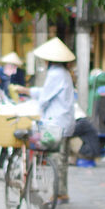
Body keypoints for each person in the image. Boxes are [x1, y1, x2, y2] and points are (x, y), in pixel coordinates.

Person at [30, 37, 77, 200]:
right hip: (65, 121)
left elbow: (44, 98)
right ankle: (62, 192)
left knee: (56, 158)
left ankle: (57, 192)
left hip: (56, 123)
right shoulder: (64, 73)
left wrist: (37, 111)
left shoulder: (55, 73)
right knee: (62, 159)